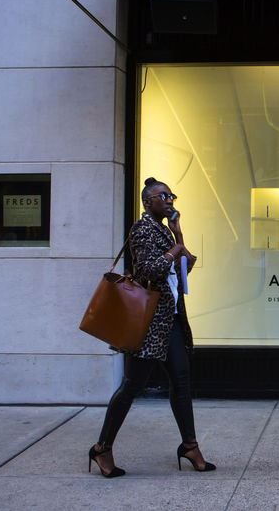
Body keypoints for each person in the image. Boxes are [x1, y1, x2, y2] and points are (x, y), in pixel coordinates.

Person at [88, 177, 215, 477]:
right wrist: (174, 251)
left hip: (168, 320)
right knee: (132, 386)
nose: (169, 200)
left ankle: (190, 445)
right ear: (148, 202)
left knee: (181, 381)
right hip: (146, 325)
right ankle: (101, 448)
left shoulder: (165, 231)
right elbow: (148, 269)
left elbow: (179, 278)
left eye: (171, 195)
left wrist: (178, 236)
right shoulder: (142, 228)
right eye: (163, 196)